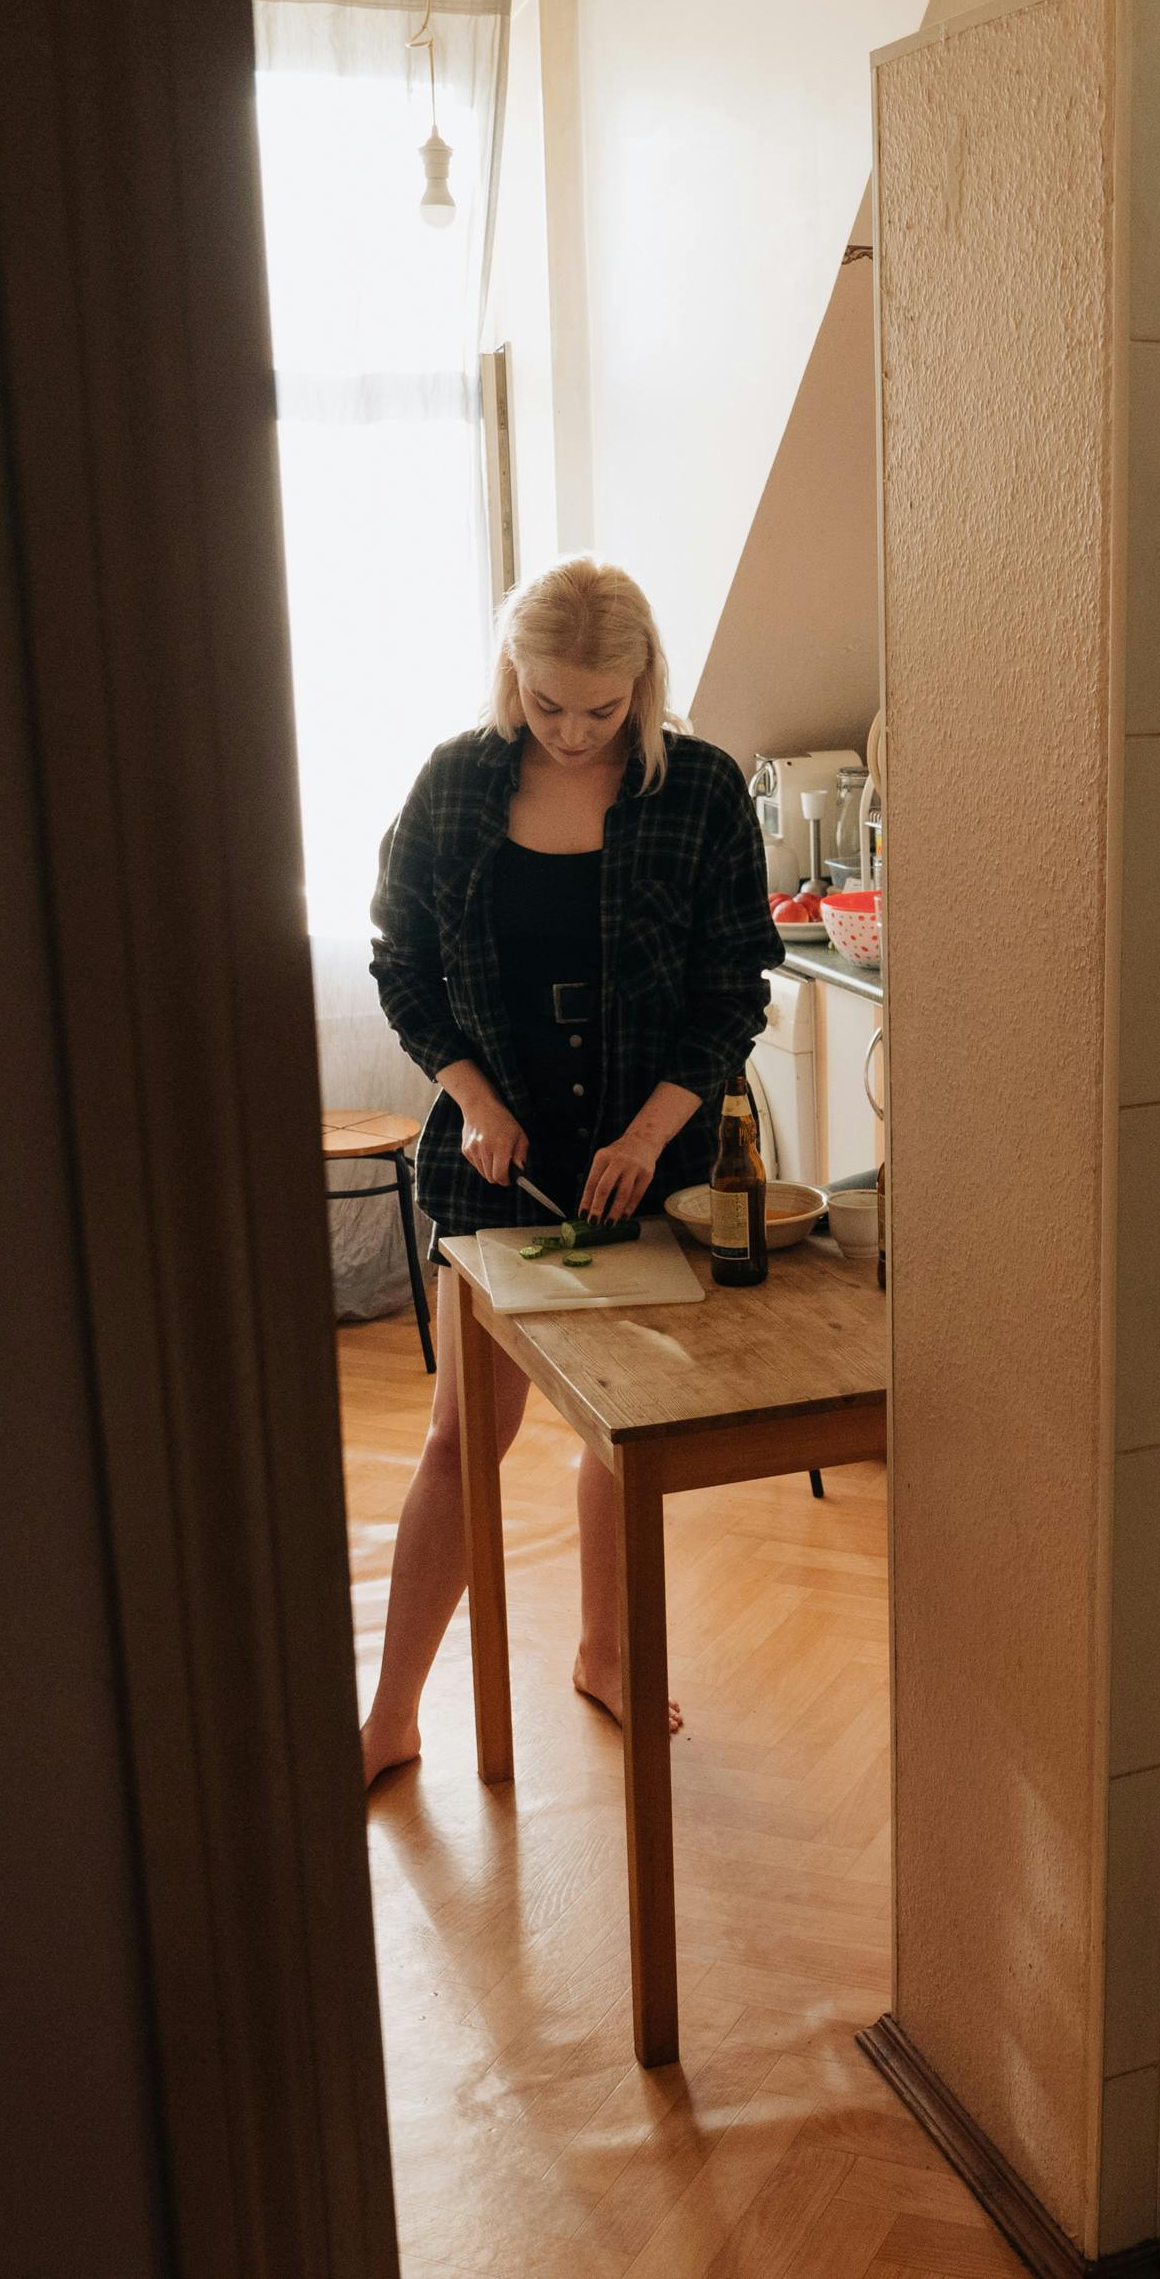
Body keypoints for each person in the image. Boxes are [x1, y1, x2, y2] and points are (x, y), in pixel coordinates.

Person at [355, 556, 780, 1787]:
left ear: (643, 682)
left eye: (601, 708)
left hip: (645, 1162)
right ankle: (388, 1710)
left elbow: (730, 985)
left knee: (622, 1434)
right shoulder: (453, 782)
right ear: (513, 676)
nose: (575, 730)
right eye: (549, 705)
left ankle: (608, 1651)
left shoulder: (696, 790)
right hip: (498, 1164)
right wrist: (472, 1098)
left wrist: (650, 1131)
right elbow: (403, 964)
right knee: (458, 1442)